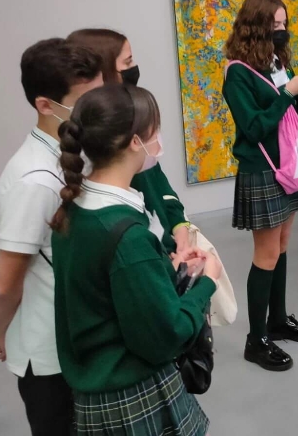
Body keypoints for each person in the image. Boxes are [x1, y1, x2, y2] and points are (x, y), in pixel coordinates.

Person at [51, 84, 220, 435]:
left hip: (95, 393)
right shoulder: (128, 235)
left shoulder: (74, 210)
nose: (159, 140)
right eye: (155, 130)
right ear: (134, 142)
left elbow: (108, 289)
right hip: (132, 394)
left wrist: (163, 270)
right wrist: (207, 283)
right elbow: (167, 335)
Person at [0, 39, 103, 436]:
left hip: (78, 338)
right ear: (45, 105)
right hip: (51, 356)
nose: (98, 108)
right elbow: (4, 285)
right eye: (85, 101)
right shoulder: (33, 182)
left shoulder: (72, 153)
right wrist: (2, 331)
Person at [222, 0, 298, 371]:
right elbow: (254, 127)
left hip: (287, 165)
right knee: (265, 254)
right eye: (274, 24)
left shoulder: (275, 62)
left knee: (281, 245)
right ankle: (257, 339)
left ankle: (278, 321)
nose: (281, 30)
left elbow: (290, 116)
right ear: (255, 27)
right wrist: (286, 93)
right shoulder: (237, 73)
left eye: (284, 24)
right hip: (262, 170)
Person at [67, 28, 191, 253]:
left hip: (164, 242)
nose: (134, 67)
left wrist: (180, 224)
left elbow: (157, 181)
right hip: (149, 247)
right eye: (128, 61)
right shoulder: (101, 139)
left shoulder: (133, 116)